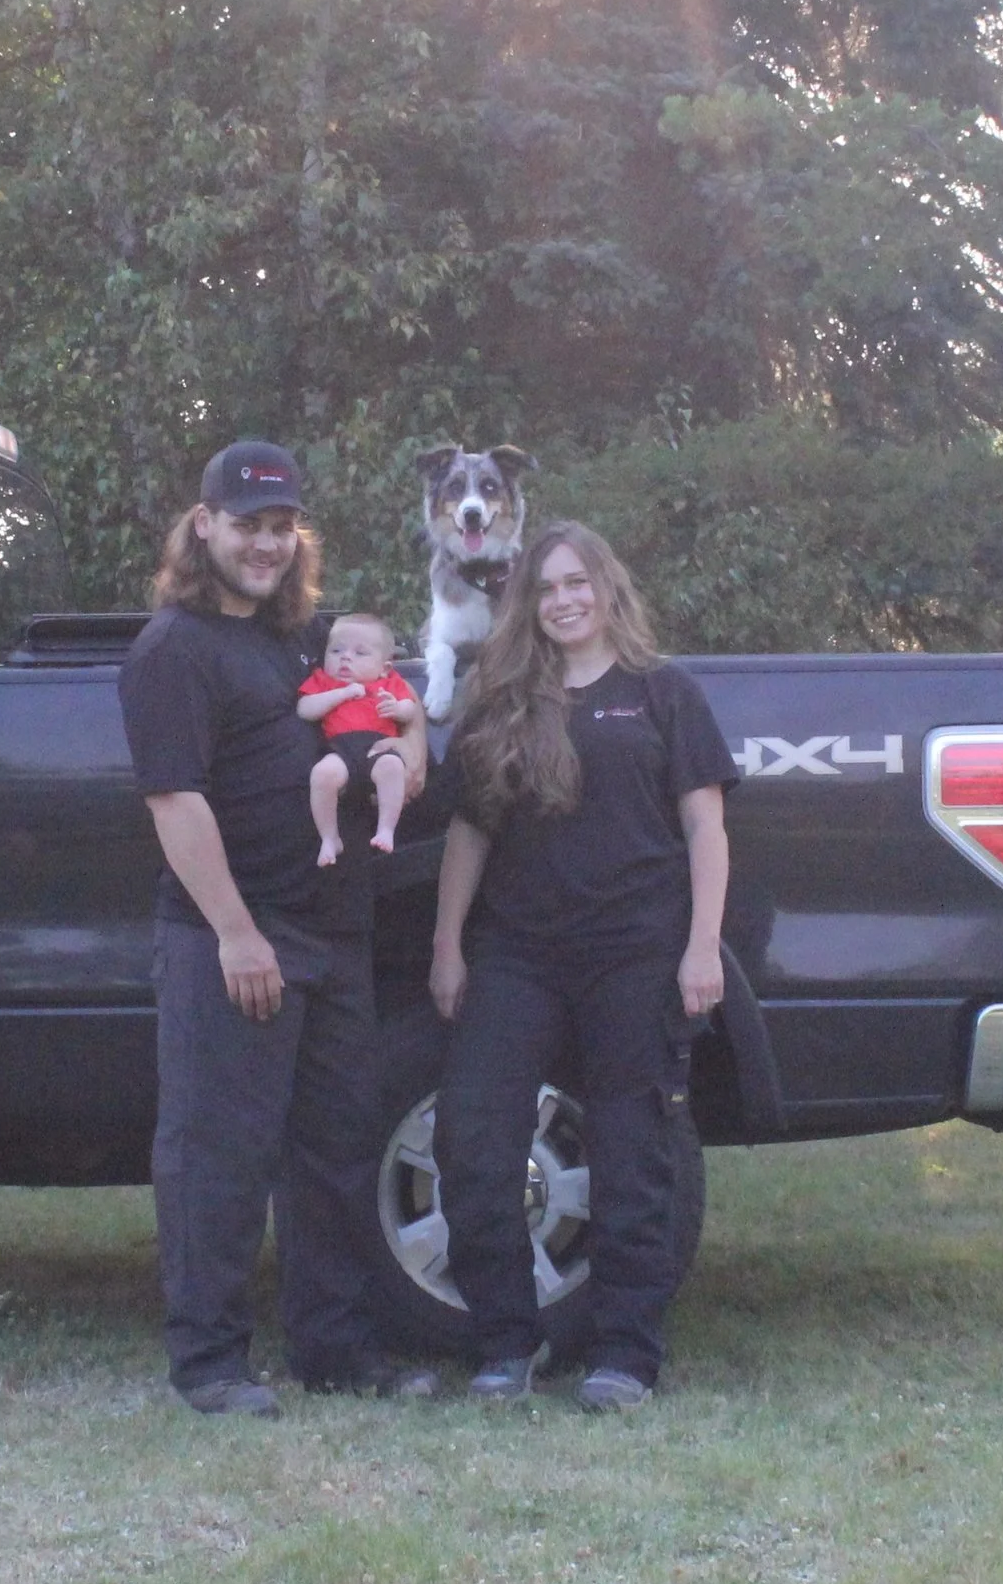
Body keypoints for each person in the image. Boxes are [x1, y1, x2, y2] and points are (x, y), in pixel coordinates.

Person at [117, 441, 436, 1417]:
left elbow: (396, 714)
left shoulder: (303, 642)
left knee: (334, 1152)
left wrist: (411, 750)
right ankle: (209, 1365)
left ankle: (333, 1351)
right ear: (202, 525)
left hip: (331, 940)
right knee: (218, 1153)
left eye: (278, 527)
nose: (263, 544)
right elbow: (175, 802)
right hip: (237, 941)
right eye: (245, 524)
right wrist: (234, 933)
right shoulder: (173, 650)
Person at [426, 522, 736, 1412]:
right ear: (527, 601)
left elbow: (705, 828)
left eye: (577, 583)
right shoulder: (503, 701)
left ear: (606, 589)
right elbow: (469, 830)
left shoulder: (663, 693)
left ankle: (625, 1354)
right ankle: (504, 1344)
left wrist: (702, 944)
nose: (564, 600)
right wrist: (448, 944)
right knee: (472, 1138)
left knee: (635, 1150)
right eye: (546, 587)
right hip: (515, 955)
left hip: (635, 954)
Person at [296, 613, 420, 865]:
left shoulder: (389, 683)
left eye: (360, 653)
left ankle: (386, 828)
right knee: (322, 775)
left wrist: (397, 709)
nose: (345, 657)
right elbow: (305, 709)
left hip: (378, 746)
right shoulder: (324, 681)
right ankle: (330, 838)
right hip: (340, 749)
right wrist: (342, 694)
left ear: (384, 667)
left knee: (392, 767)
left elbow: (411, 709)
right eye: (337, 650)